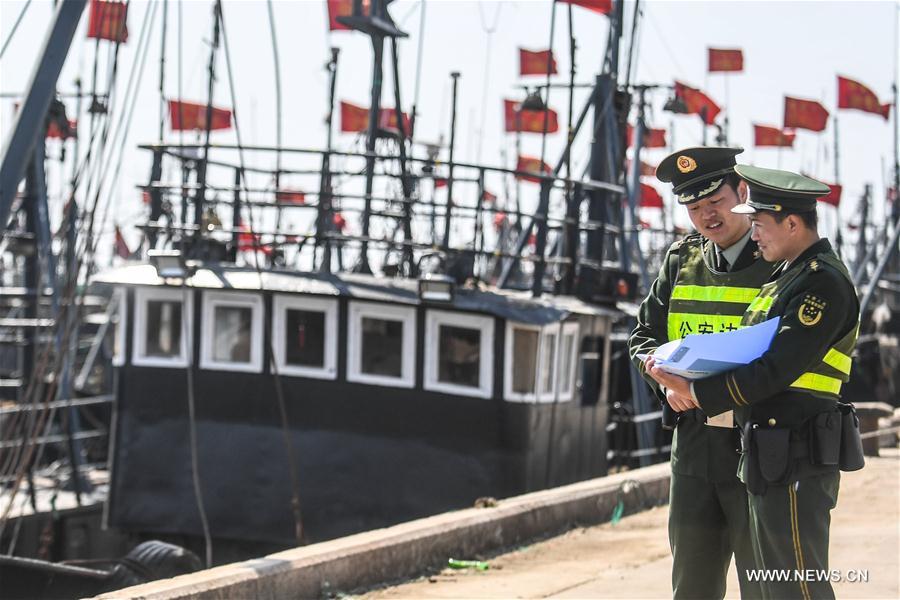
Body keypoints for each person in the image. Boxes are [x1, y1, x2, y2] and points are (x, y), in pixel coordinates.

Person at [646, 165, 861, 600]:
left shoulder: (821, 283)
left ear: (792, 223)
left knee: (794, 586)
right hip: (767, 452)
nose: (755, 235)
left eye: (760, 224)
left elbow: (776, 367)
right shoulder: (788, 275)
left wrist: (696, 392)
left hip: (796, 451)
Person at [629, 147, 775, 599]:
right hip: (693, 447)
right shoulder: (680, 260)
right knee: (692, 583)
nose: (707, 216)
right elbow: (642, 337)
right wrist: (663, 379)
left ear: (742, 193)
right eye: (694, 208)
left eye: (715, 202)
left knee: (764, 583)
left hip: (759, 445)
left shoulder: (779, 260)